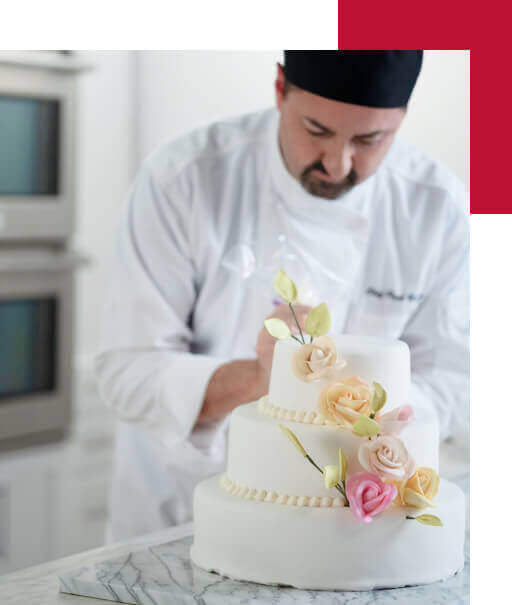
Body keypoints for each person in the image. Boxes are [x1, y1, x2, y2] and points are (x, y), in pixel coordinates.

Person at [95, 50, 469, 543]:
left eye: (369, 139)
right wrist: (259, 379)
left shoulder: (434, 205)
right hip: (177, 519)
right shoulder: (185, 178)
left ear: (400, 121)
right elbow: (126, 369)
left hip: (350, 539)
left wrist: (364, 404)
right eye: (316, 131)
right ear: (279, 89)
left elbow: (456, 378)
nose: (337, 164)